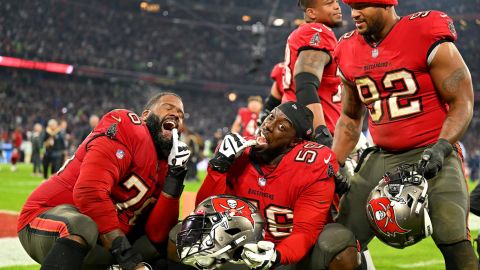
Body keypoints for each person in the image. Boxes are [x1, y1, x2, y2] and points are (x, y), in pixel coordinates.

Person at [327, 0, 476, 269]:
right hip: (382, 155)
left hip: (432, 152)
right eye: (352, 6)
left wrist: (443, 146)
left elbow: (462, 100)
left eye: (363, 6)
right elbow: (350, 117)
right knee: (336, 241)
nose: (355, 13)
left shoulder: (424, 32)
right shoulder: (347, 48)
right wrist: (333, 162)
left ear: (386, 6)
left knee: (453, 236)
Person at [17, 92, 191, 270]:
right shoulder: (129, 127)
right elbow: (89, 192)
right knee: (83, 226)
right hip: (47, 218)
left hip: (104, 239)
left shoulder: (167, 164)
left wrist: (175, 178)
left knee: (172, 240)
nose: (176, 115)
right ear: (145, 115)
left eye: (181, 115)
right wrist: (129, 260)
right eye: (168, 108)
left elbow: (157, 235)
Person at [181, 102, 359, 269]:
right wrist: (218, 167)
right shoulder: (238, 154)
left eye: (282, 127)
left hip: (289, 256)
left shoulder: (312, 166)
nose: (268, 126)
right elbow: (204, 211)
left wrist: (276, 256)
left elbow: (305, 232)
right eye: (271, 117)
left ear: (296, 142)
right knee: (178, 236)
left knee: (338, 242)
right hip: (240, 251)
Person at [279, 0, 344, 147]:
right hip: (309, 138)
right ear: (311, 12)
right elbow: (305, 82)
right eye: (329, 3)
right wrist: (320, 132)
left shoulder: (304, 32)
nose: (337, 6)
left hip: (297, 132)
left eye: (336, 2)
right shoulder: (316, 31)